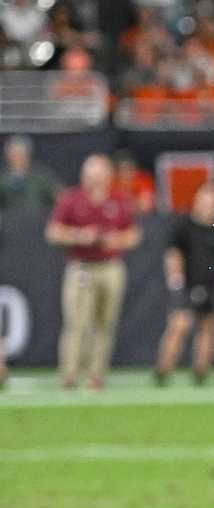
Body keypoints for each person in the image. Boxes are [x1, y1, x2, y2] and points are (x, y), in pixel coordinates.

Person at [45, 154, 141, 390]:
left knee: (104, 323)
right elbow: (53, 232)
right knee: (76, 323)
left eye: (98, 176)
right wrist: (79, 235)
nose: (94, 181)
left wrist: (116, 240)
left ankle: (96, 376)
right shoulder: (72, 199)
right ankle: (69, 375)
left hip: (110, 266)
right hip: (81, 265)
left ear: (108, 177)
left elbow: (133, 235)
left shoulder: (117, 200)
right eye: (90, 176)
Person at [155, 181, 214, 385]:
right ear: (197, 201)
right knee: (179, 325)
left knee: (208, 327)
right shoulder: (184, 226)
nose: (209, 205)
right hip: (187, 284)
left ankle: (201, 372)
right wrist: (176, 282)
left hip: (211, 286)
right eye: (206, 200)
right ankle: (163, 371)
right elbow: (173, 254)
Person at [0, 135, 61, 213]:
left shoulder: (40, 175)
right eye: (14, 154)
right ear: (8, 156)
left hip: (35, 220)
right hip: (7, 221)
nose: (18, 158)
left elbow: (60, 196)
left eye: (21, 154)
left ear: (28, 155)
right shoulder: (2, 178)